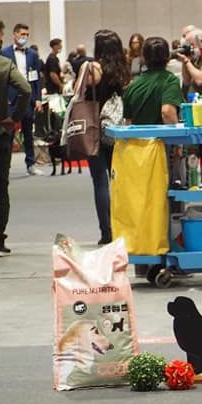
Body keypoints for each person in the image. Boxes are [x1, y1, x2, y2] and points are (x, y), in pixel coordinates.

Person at [77, 29, 131, 245]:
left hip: (95, 128)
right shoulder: (123, 70)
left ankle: (106, 232)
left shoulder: (93, 68)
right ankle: (124, 227)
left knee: (100, 181)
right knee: (118, 180)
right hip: (116, 128)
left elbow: (77, 91)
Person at [0, 16, 32, 256]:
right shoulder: (4, 64)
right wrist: (15, 116)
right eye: (0, 35)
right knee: (0, 186)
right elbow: (26, 90)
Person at [0, 23, 44, 176]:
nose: (24, 37)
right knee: (8, 133)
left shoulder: (32, 54)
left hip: (29, 99)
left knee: (28, 133)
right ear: (15, 34)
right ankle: (5, 165)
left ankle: (31, 164)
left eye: (27, 35)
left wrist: (38, 99)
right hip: (10, 99)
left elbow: (37, 78)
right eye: (22, 34)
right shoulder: (4, 53)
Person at [121, 37, 183, 126]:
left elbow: (128, 122)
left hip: (136, 138)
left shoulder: (132, 85)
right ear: (168, 57)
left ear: (144, 58)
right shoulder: (170, 81)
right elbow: (167, 112)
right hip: (161, 139)